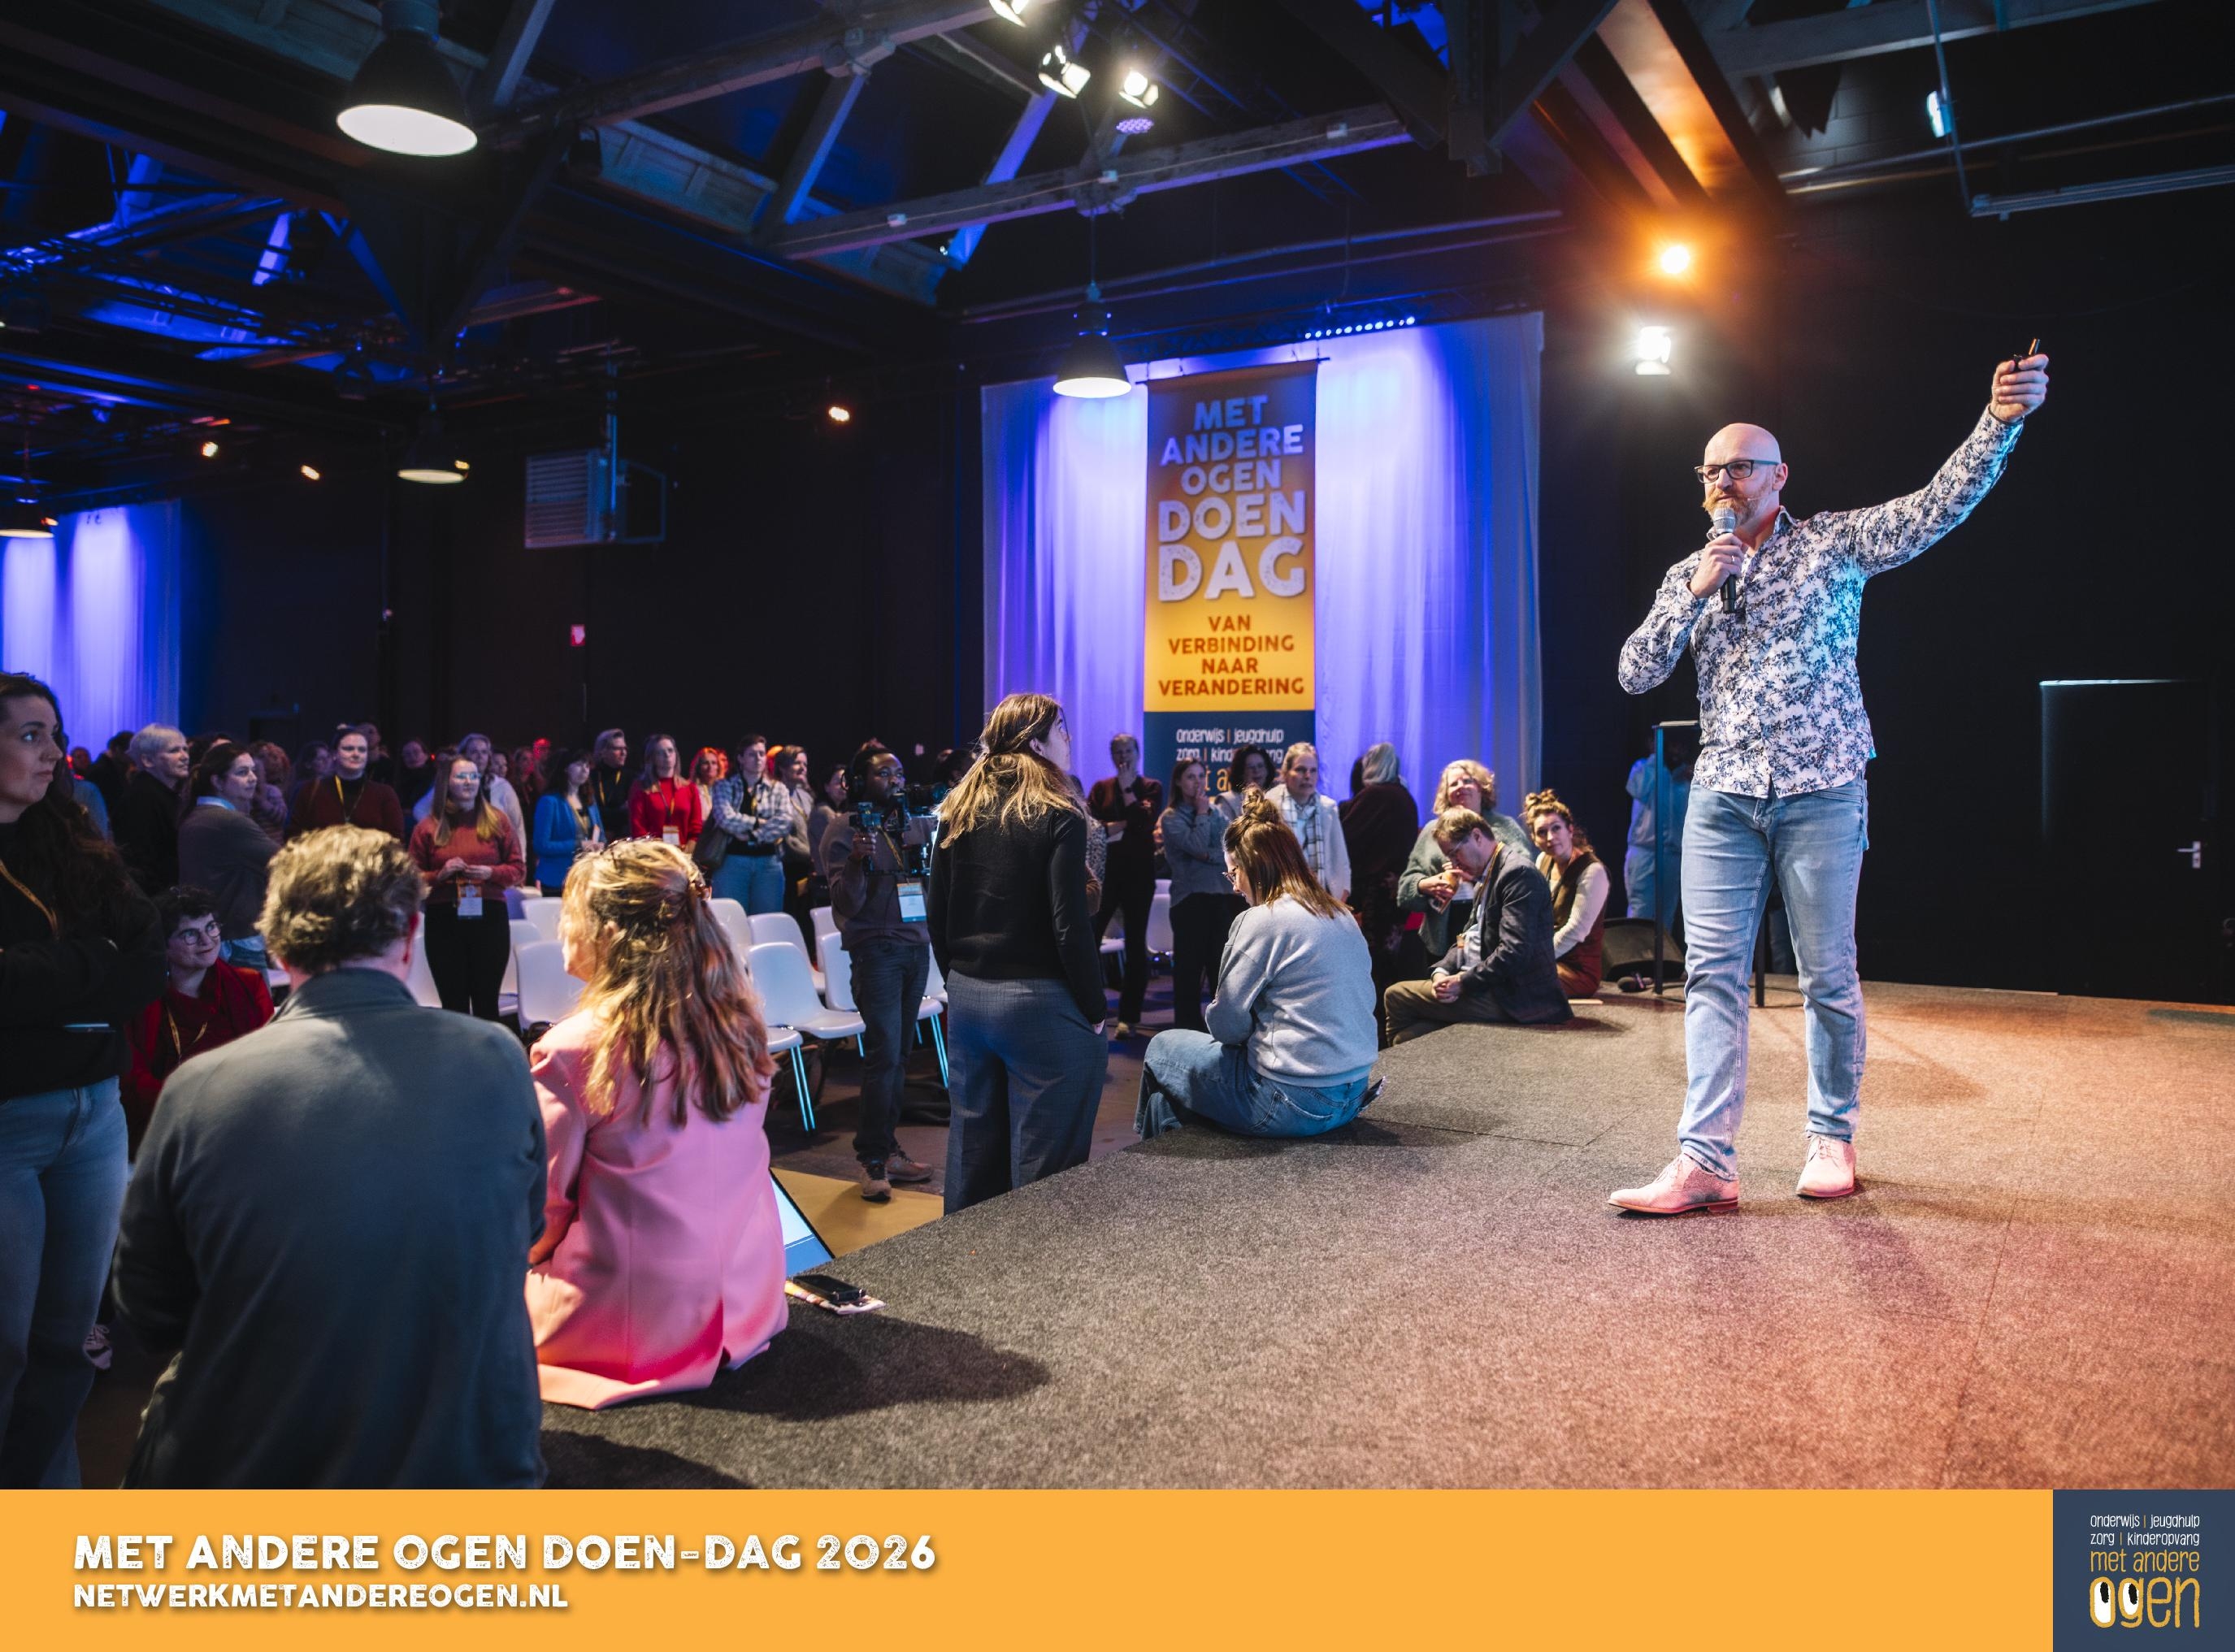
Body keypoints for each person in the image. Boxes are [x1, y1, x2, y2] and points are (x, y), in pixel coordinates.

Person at [1608, 351, 2048, 1215]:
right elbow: (1633, 672)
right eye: (1711, 470)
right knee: (1710, 978)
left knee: (1826, 975)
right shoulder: (1690, 573)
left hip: (1821, 788)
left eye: (1741, 466)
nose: (1724, 480)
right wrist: (1695, 590)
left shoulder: (1833, 544)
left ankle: (1830, 1137)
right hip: (1723, 795)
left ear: (1779, 476)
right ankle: (1705, 1160)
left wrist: (1997, 424)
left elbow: (1935, 507)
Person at [111, 826, 545, 1486]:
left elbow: (150, 1310)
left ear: (277, 945)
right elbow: (525, 1230)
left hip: (260, 1475)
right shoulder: (498, 1058)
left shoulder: (199, 1087)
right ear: (410, 937)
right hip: (473, 1462)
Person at [526, 840, 785, 1407]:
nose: (561, 927)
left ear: (607, 932)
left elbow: (541, 1212)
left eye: (570, 912)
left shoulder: (572, 1049)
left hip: (637, 1323)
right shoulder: (741, 1025)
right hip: (747, 1301)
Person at [0, 674, 166, 1486]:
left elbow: (146, 957)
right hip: (9, 1118)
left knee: (67, 1345)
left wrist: (54, 973)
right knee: (6, 1346)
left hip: (94, 1115)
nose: (50, 752)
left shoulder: (70, 838)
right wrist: (91, 964)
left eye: (54, 734)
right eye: (29, 734)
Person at [928, 693, 1107, 1213]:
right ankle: (1035, 1265)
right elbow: (1068, 924)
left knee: (972, 1159)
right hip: (1040, 1003)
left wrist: (957, 980)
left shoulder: (958, 809)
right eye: (1061, 730)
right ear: (1037, 745)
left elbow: (937, 910)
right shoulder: (1060, 812)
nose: (1068, 739)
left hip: (969, 1000)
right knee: (1045, 1174)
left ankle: (963, 1261)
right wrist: (1095, 1008)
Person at [1137, 796, 1378, 1139]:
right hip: (1353, 1094)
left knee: (1162, 1047)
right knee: (1165, 1102)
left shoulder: (1262, 920)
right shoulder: (1340, 913)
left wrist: (1250, 1028)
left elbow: (1225, 1025)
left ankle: (1140, 1159)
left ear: (1254, 867)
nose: (1234, 886)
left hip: (1292, 1101)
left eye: (1234, 873)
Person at [818, 744, 937, 1203]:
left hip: (915, 948)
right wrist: (856, 861)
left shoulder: (911, 824)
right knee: (884, 1057)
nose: (896, 780)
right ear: (860, 783)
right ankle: (870, 1159)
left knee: (901, 1056)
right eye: (885, 774)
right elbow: (846, 904)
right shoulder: (844, 830)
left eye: (899, 773)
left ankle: (887, 1149)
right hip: (877, 954)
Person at [1382, 808, 1572, 1043]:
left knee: (1395, 996)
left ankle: (1394, 1065)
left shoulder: (1517, 873)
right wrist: (1442, 971)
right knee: (1407, 1037)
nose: (1453, 864)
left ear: (1477, 836)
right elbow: (1468, 936)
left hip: (1518, 998)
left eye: (1454, 854)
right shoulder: (1488, 873)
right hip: (1493, 987)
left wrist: (1463, 982)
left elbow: (1514, 952)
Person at [120, 887, 275, 1152]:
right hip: (166, 1128)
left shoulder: (249, 985)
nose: (207, 941)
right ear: (163, 945)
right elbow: (132, 1080)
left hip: (241, 1121)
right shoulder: (138, 1000)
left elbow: (267, 1061)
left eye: (211, 927)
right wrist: (199, 1109)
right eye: (190, 934)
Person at [408, 752, 525, 1020]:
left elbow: (518, 870)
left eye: (474, 776)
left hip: (489, 916)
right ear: (447, 782)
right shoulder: (428, 827)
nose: (469, 781)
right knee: (453, 1004)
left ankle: (489, 1048)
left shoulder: (497, 820)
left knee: (487, 1002)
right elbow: (410, 878)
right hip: (444, 918)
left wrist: (490, 873)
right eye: (462, 776)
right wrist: (440, 875)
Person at [1398, 761, 1534, 962]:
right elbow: (1404, 890)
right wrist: (1424, 885)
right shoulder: (1431, 831)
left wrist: (1479, 876)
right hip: (1443, 934)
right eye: (1453, 784)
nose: (1460, 787)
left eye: (1467, 781)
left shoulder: (1505, 827)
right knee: (1443, 978)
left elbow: (1524, 876)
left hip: (1494, 930)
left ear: (1481, 788)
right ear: (1446, 794)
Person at [1087, 732, 1163, 1040]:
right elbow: (1093, 829)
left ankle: (1129, 1018)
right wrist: (1123, 824)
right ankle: (1091, 1010)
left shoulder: (1151, 787)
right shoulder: (1100, 788)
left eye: (1128, 751)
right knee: (1090, 939)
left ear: (1137, 753)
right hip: (1105, 875)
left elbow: (1145, 822)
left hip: (1138, 876)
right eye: (1118, 752)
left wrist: (1128, 789)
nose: (1123, 757)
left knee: (1135, 946)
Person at [177, 742, 277, 973]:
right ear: (218, 781)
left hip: (214, 935)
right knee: (253, 999)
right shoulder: (227, 821)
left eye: (253, 770)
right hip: (237, 939)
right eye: (242, 772)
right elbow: (287, 862)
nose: (253, 778)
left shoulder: (197, 814)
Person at [1339, 741, 1421, 1012]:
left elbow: (1345, 839)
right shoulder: (1404, 796)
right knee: (1387, 965)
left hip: (1373, 896)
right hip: (1394, 893)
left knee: (1371, 966)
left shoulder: (1375, 797)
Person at [1160, 757, 1240, 1033]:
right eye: (1191, 777)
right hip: (1189, 901)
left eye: (1201, 776)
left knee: (1220, 968)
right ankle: (1186, 1031)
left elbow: (1231, 849)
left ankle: (1221, 1030)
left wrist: (1209, 855)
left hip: (1220, 897)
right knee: (1189, 972)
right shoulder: (1171, 818)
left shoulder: (1217, 811)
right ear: (1179, 782)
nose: (1198, 783)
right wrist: (1202, 814)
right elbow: (1197, 846)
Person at [1525, 788, 1609, 999]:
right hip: (1549, 958)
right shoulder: (1543, 861)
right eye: (1542, 832)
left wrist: (1536, 959)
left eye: (1556, 828)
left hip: (1577, 971)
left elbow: (1577, 929)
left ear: (1570, 830)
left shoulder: (1592, 871)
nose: (1551, 838)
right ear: (1534, 839)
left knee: (1517, 979)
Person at [705, 734, 796, 915]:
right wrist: (759, 822)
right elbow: (725, 818)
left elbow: (785, 822)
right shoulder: (725, 785)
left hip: (769, 862)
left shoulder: (778, 788)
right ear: (741, 758)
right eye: (752, 754)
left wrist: (753, 835)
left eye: (762, 754)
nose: (758, 758)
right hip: (732, 860)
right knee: (732, 918)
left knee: (768, 919)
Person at [288, 725, 406, 841]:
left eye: (362, 750)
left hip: (372, 854)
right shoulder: (310, 790)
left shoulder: (384, 794)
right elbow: (293, 835)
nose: (356, 754)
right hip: (321, 853)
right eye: (349, 749)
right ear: (334, 754)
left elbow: (395, 839)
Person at [411, 732, 527, 849]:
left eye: (484, 752)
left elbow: (517, 825)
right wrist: (440, 831)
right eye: (474, 752)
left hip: (494, 852)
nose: (480, 756)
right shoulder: (451, 782)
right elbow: (419, 810)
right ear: (464, 754)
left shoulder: (501, 786)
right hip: (459, 850)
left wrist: (521, 855)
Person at [112, 723, 190, 893]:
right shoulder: (141, 799)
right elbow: (140, 863)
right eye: (174, 751)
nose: (185, 756)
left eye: (185, 749)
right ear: (148, 760)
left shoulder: (164, 793)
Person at [1272, 741, 1350, 901]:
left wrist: (1341, 898)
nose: (1308, 776)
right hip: (1280, 897)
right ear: (1286, 773)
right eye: (1300, 770)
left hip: (1321, 898)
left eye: (1313, 770)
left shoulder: (1328, 808)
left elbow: (1340, 859)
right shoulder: (1270, 805)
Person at [532, 748, 602, 896]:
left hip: (586, 877)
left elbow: (600, 833)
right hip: (558, 879)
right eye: (579, 764)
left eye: (587, 765)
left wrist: (600, 845)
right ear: (565, 768)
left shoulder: (589, 800)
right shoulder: (549, 801)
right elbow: (541, 845)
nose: (585, 769)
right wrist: (579, 845)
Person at [627, 732, 701, 849]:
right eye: (660, 753)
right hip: (651, 854)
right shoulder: (641, 787)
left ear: (676, 754)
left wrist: (687, 852)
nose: (667, 755)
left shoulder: (690, 788)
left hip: (684, 854)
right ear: (652, 758)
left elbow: (696, 828)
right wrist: (657, 853)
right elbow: (638, 828)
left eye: (670, 750)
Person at [584, 727, 633, 843]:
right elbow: (588, 813)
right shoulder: (590, 777)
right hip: (594, 840)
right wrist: (619, 811)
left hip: (623, 840)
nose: (623, 753)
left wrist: (601, 813)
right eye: (618, 749)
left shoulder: (631, 778)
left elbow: (630, 814)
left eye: (625, 748)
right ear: (602, 751)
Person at [245, 741, 291, 845]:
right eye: (261, 757)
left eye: (270, 756)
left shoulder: (273, 791)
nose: (268, 761)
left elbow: (284, 819)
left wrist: (262, 802)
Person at [1217, 743, 1273, 821]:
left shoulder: (1275, 796)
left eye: (1260, 766)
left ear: (1267, 770)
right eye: (1250, 767)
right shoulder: (1227, 801)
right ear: (1241, 772)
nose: (1256, 770)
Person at [88, 731, 132, 816]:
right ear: (118, 749)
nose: (132, 757)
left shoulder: (107, 767)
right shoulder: (101, 771)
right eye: (129, 752)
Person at [689, 745, 728, 826]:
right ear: (698, 767)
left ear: (718, 767)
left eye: (714, 763)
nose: (710, 767)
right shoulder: (691, 790)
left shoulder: (725, 789)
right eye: (706, 763)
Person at [393, 737, 434, 812]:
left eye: (416, 752)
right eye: (407, 754)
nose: (412, 757)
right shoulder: (398, 780)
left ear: (426, 755)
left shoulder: (434, 779)